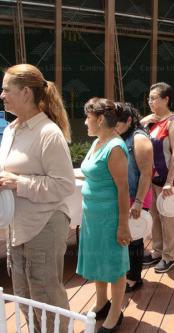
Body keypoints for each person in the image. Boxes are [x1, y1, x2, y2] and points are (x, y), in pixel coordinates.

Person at [0, 64, 75, 332]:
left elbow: (64, 185)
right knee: (23, 297)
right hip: (17, 228)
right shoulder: (11, 130)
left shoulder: (48, 133)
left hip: (43, 226)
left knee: (46, 298)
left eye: (7, 89)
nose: (2, 95)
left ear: (26, 93)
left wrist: (17, 183)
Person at [76, 98, 131, 333]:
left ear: (99, 119)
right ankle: (101, 302)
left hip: (109, 217)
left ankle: (115, 314)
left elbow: (123, 189)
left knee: (114, 265)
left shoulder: (115, 147)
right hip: (92, 216)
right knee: (98, 260)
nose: (85, 122)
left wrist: (123, 226)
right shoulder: (98, 141)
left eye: (88, 117)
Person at [141, 82, 174, 273]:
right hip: (152, 178)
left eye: (154, 98)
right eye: (149, 98)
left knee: (168, 219)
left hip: (166, 179)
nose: (150, 101)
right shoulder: (151, 122)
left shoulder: (173, 123)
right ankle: (157, 251)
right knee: (155, 216)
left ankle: (169, 256)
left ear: (166, 99)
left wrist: (169, 182)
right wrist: (142, 121)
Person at [115, 102, 153, 292]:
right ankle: (126, 272)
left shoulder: (139, 138)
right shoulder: (119, 135)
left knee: (135, 238)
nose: (113, 126)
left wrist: (138, 202)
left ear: (129, 120)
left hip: (137, 197)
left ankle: (134, 278)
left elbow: (146, 173)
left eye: (117, 123)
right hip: (123, 196)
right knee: (125, 238)